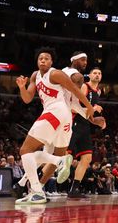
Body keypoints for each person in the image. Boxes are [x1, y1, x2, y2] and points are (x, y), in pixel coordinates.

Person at [14, 49, 94, 204]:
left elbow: (74, 89)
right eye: (40, 58)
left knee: (25, 150)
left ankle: (38, 189)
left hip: (56, 111)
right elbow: (27, 99)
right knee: (44, 154)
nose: (43, 60)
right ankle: (40, 184)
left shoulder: (55, 73)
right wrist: (22, 87)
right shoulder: (35, 76)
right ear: (37, 61)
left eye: (46, 58)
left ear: (52, 62)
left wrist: (88, 106)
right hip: (64, 118)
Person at [68, 63, 107, 198]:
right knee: (61, 157)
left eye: (99, 73)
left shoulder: (98, 92)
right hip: (74, 123)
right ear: (89, 76)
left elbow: (88, 113)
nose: (97, 75)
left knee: (87, 158)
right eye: (94, 73)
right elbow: (73, 107)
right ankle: (34, 181)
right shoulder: (85, 87)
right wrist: (92, 108)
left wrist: (96, 120)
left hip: (85, 125)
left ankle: (74, 189)